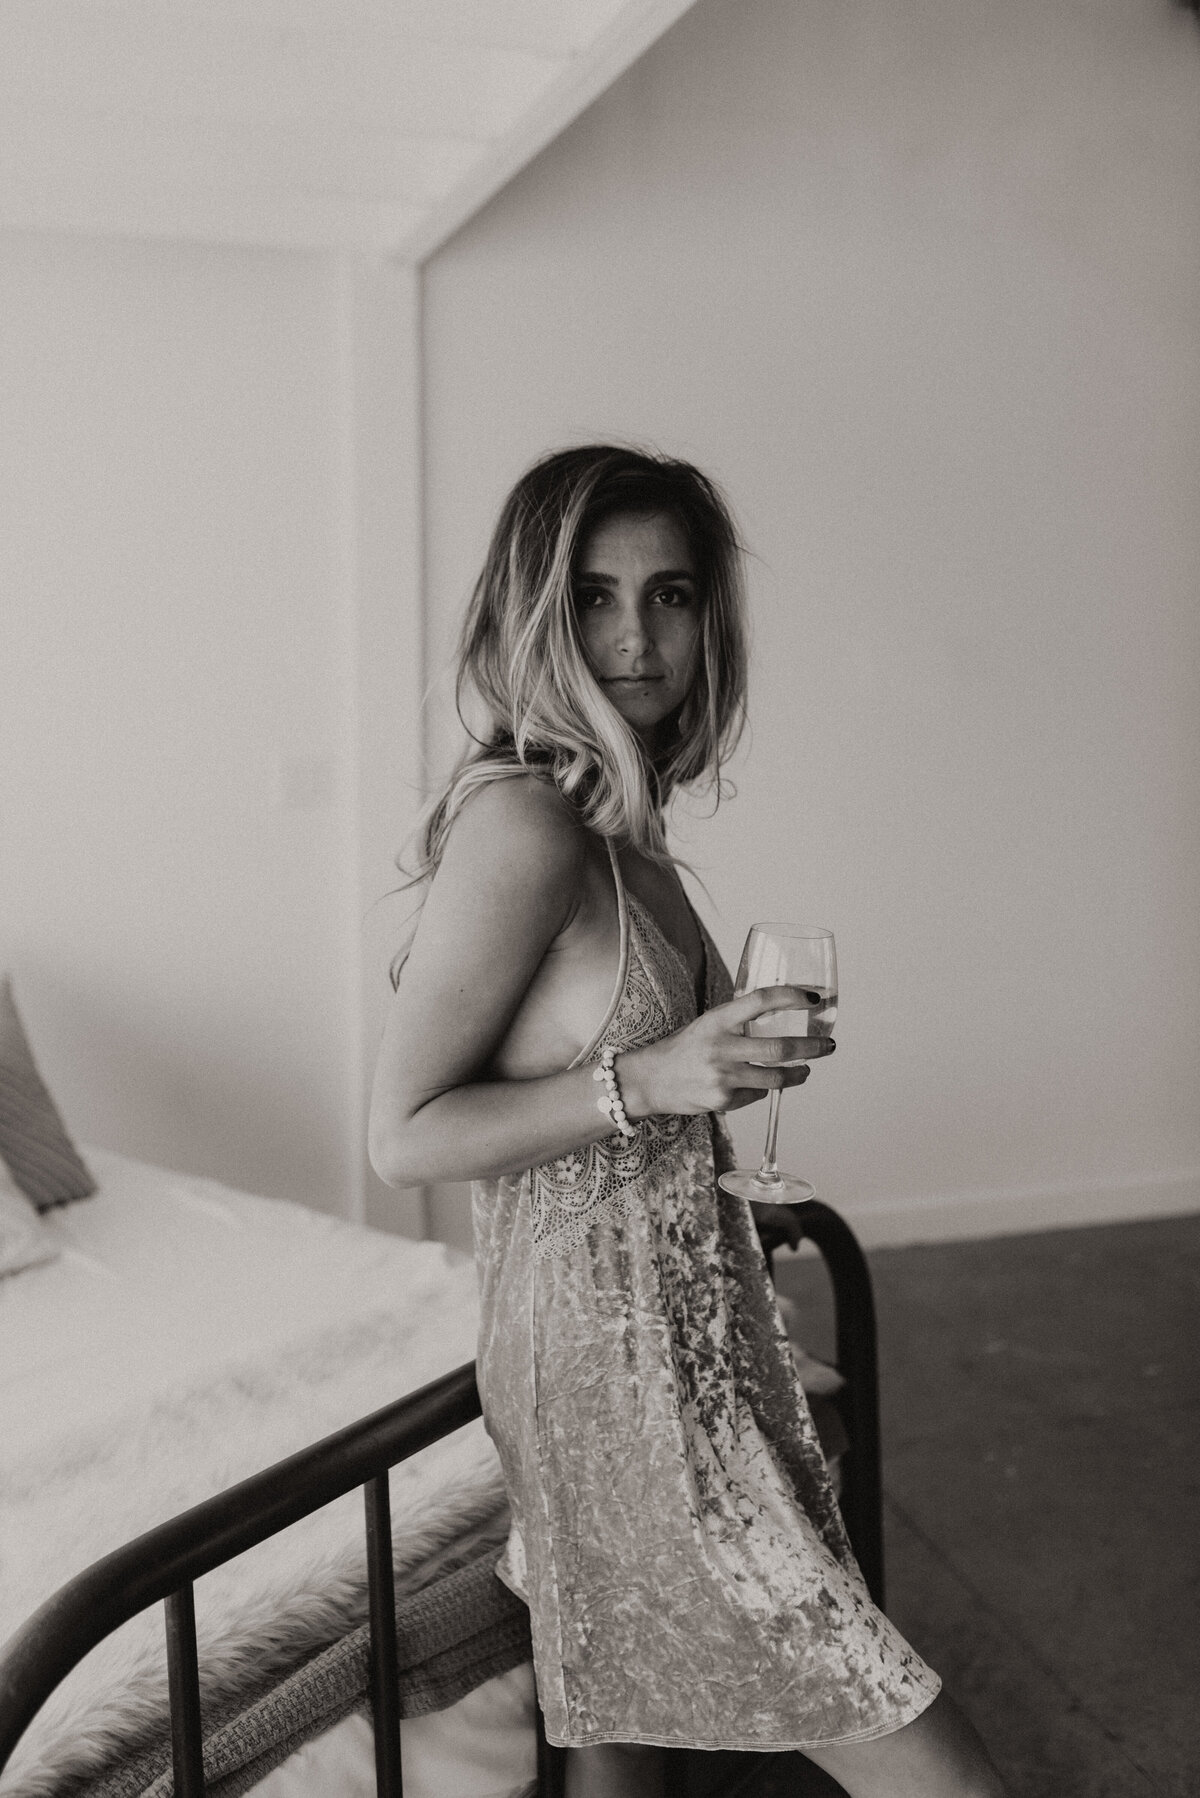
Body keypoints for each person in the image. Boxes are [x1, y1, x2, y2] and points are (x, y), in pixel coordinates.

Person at [369, 446, 1008, 1798]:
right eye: (596, 597)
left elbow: (624, 1063)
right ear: (534, 610)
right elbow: (404, 1131)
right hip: (617, 1379)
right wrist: (653, 1083)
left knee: (620, 1723)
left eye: (670, 596)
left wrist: (716, 1073)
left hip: (681, 1331)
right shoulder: (528, 822)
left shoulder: (624, 819)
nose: (636, 637)